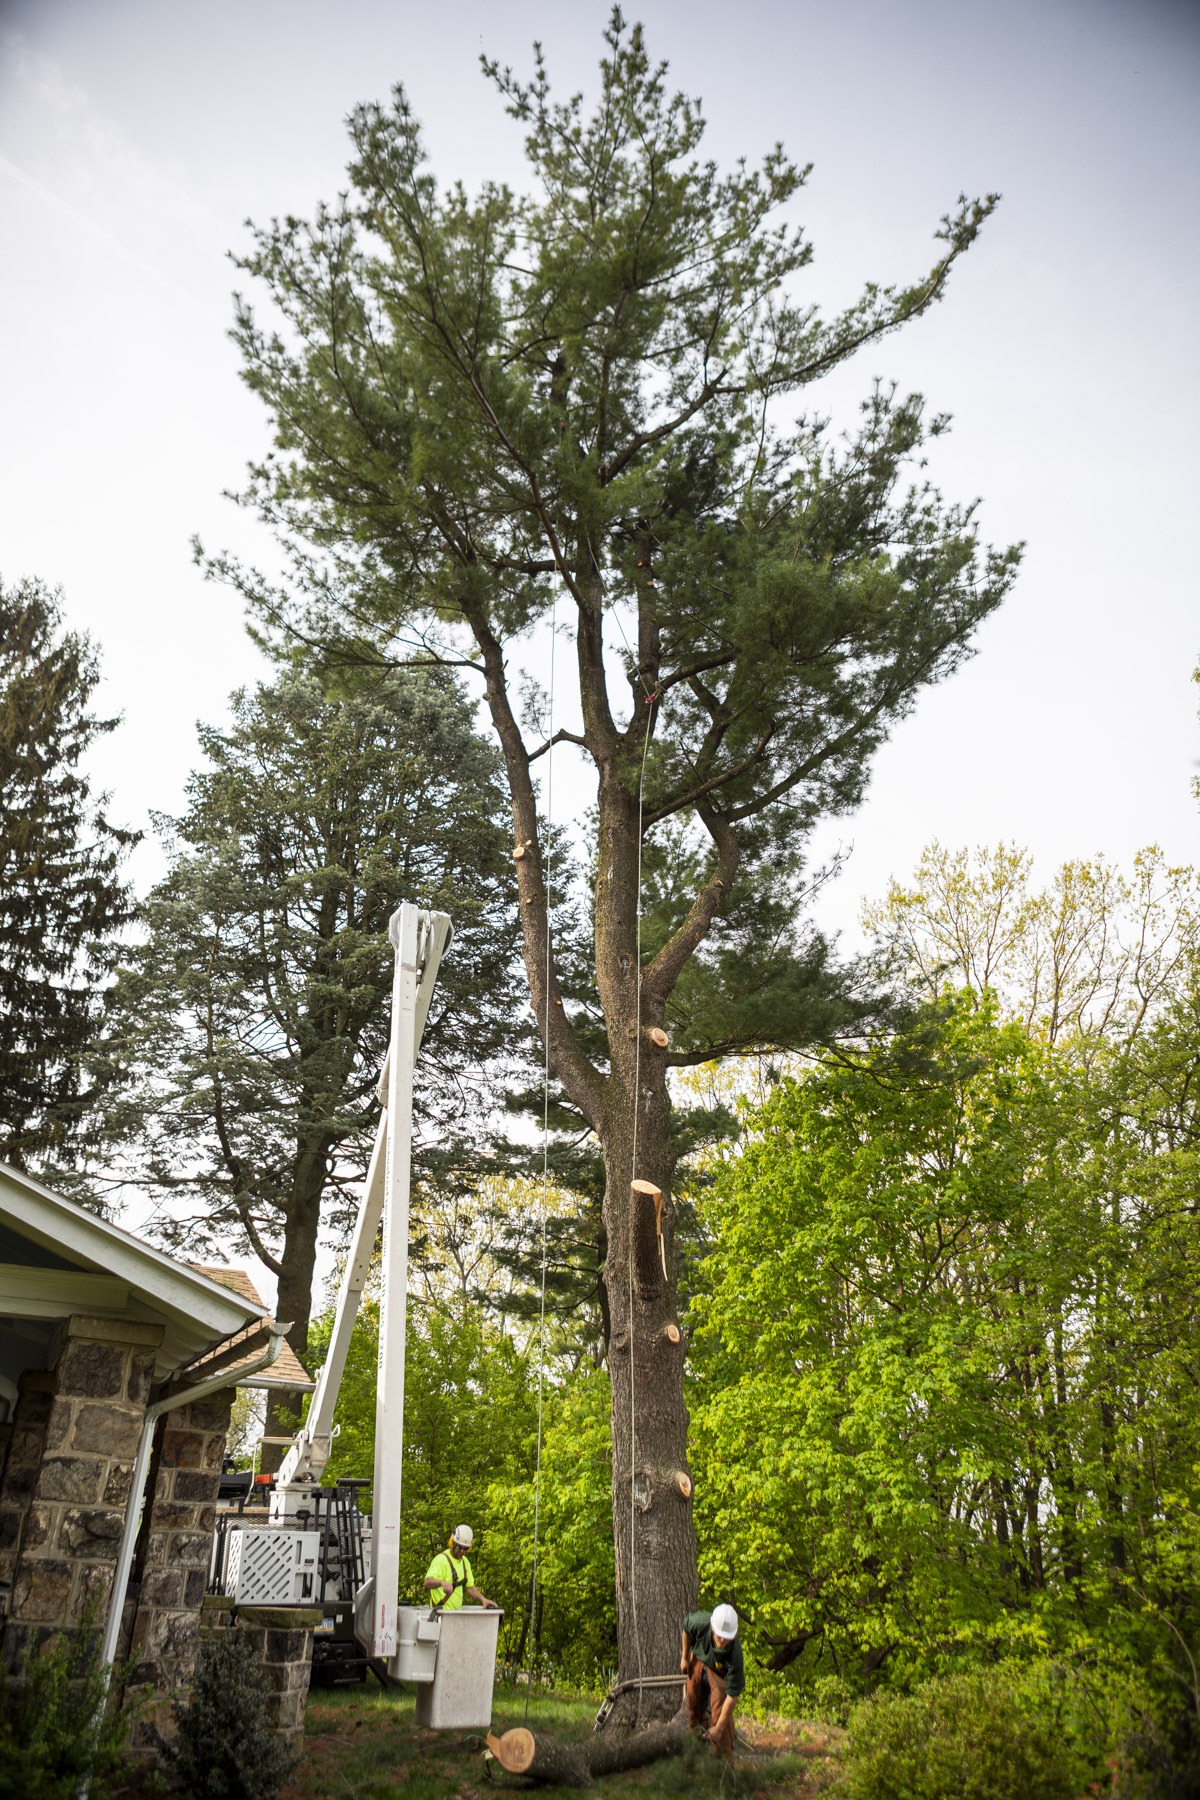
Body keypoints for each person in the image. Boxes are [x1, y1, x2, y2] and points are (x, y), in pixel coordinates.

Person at [680, 1603, 743, 1755]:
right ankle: (697, 1746)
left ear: (733, 1634)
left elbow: (732, 1696)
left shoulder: (735, 1654)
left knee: (720, 1708)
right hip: (699, 1659)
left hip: (719, 1672)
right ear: (713, 1628)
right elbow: (687, 1629)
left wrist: (719, 1729)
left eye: (726, 1637)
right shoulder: (700, 1622)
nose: (722, 1640)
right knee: (693, 1703)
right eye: (719, 1636)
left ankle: (722, 1761)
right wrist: (684, 1658)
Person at [423, 1523, 498, 1610]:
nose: (462, 1551)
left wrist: (482, 1599)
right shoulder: (441, 1560)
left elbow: (470, 1587)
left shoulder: (465, 1563)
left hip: (456, 1615)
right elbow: (427, 1582)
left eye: (465, 1548)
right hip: (440, 1614)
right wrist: (441, 1582)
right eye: (459, 1547)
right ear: (453, 1543)